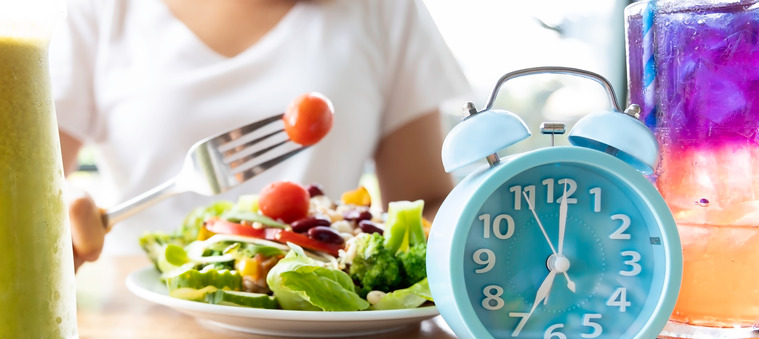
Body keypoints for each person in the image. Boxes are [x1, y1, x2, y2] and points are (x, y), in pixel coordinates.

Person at [51, 0, 472, 270]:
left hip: (329, 333)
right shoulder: (99, 10)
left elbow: (427, 205)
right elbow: (32, 182)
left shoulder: (387, 10)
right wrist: (57, 214)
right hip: (137, 327)